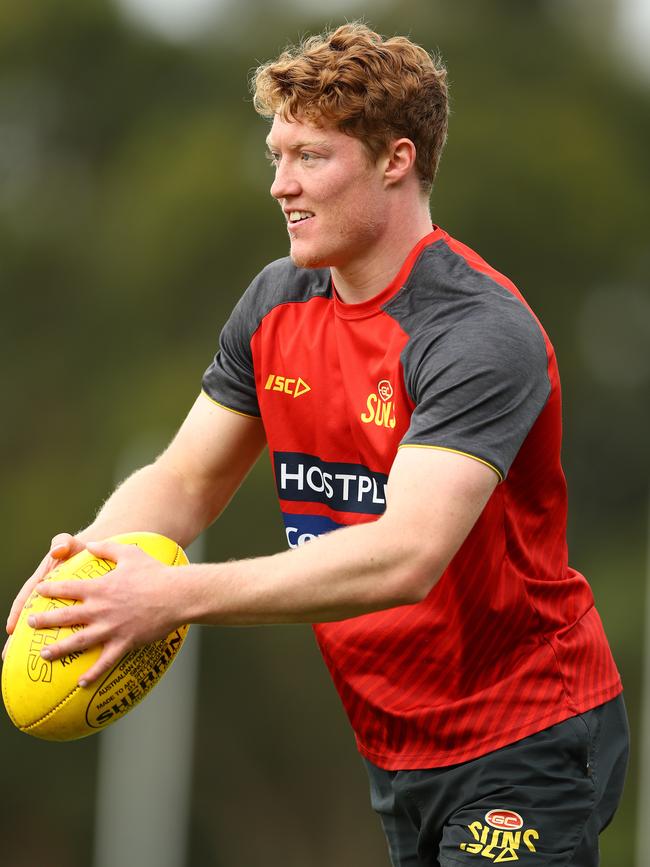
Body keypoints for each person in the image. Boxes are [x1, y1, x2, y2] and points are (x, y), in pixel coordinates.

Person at [4, 22, 628, 867]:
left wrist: (173, 596)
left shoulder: (477, 331)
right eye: (275, 156)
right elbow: (185, 479)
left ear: (395, 160)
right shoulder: (275, 303)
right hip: (394, 742)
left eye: (310, 157)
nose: (280, 185)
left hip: (526, 734)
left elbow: (405, 555)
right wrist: (92, 568)